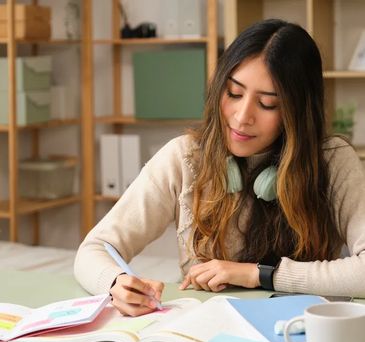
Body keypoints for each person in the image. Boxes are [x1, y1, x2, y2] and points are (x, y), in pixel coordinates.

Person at [74, 19, 365, 316]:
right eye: (234, 93)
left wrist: (258, 274)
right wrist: (115, 282)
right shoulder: (184, 158)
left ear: (298, 112)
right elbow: (94, 249)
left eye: (266, 104)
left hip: (299, 333)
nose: (241, 117)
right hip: (206, 331)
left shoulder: (331, 160)